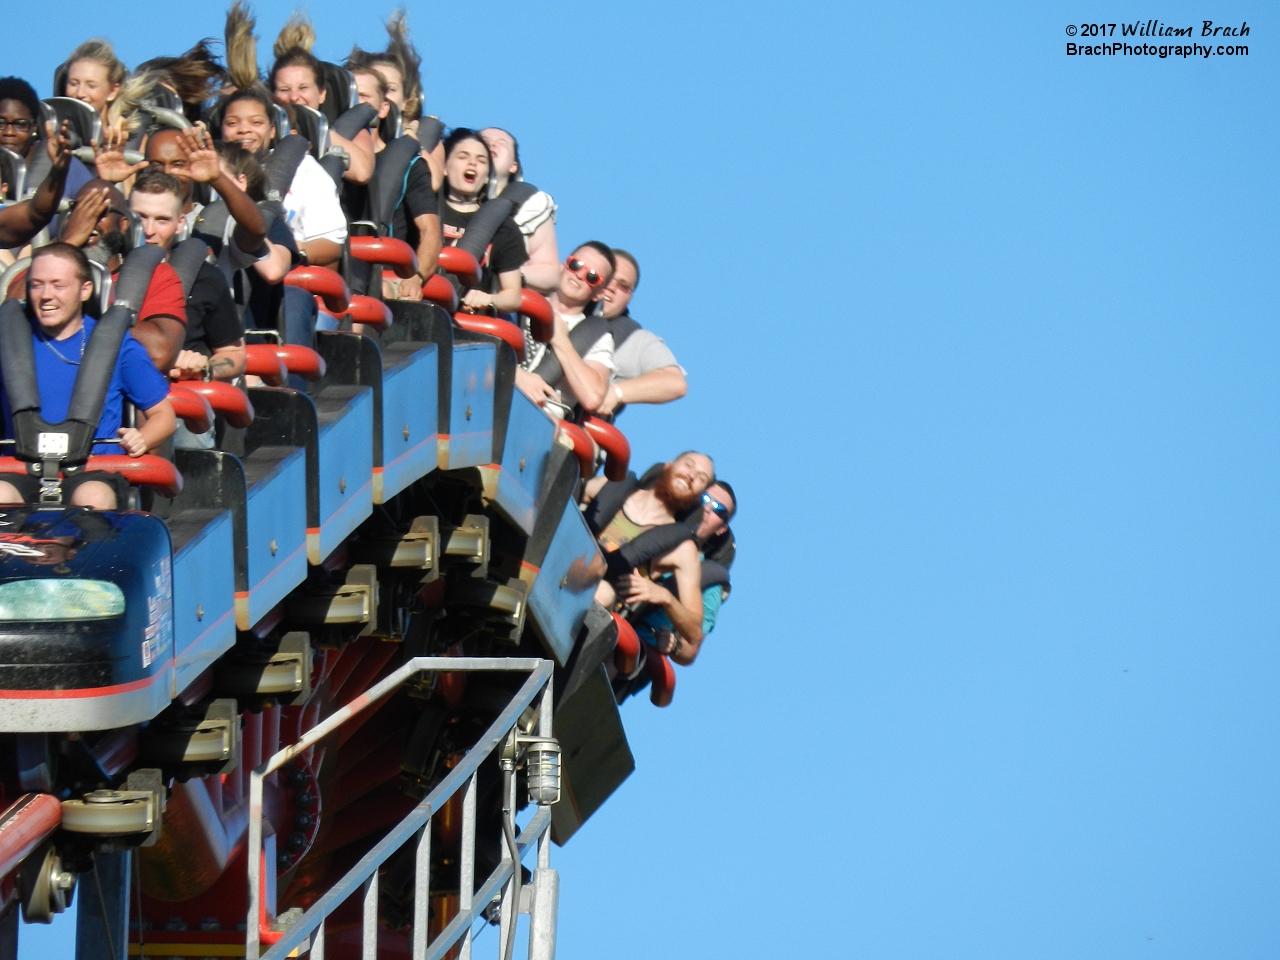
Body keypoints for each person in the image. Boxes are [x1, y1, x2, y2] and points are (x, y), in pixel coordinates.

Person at [0, 243, 176, 510]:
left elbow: (164, 416)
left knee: (91, 498)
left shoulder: (117, 345)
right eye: (37, 285)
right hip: (19, 469)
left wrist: (143, 438)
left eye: (58, 286)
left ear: (85, 290)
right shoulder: (9, 342)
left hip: (94, 470)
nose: (46, 295)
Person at [584, 452, 716, 647]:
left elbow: (695, 632)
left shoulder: (681, 548)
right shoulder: (609, 486)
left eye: (701, 478)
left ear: (699, 494)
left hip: (595, 603)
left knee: (602, 594)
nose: (691, 476)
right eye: (688, 465)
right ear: (668, 466)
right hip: (558, 564)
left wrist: (665, 597)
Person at [128, 170, 245, 383]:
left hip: (183, 398)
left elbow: (234, 354)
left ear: (180, 223)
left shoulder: (206, 278)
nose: (148, 230)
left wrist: (203, 368)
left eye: (162, 220)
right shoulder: (105, 272)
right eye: (140, 217)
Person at [58, 179, 187, 371]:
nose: (88, 219)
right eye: (80, 210)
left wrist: (95, 311)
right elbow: (11, 313)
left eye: (101, 211)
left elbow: (162, 354)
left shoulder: (156, 276)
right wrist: (68, 246)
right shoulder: (44, 267)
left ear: (123, 224)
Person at [220, 86, 347, 270]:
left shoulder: (304, 170)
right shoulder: (209, 169)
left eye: (256, 123)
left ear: (272, 131)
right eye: (232, 123)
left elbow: (331, 246)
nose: (244, 130)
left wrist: (288, 252)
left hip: (290, 276)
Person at [348, 64, 439, 299]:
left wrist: (416, 277)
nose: (356, 103)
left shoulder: (409, 165)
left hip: (385, 278)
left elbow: (430, 231)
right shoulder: (321, 156)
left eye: (364, 97)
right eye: (351, 95)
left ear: (383, 108)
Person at [634, 481, 737, 666]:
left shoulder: (709, 579)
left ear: (721, 528)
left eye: (718, 509)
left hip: (633, 645)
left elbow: (690, 649)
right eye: (705, 498)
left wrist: (674, 645)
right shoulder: (650, 518)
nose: (707, 508)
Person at [270, 15, 374, 185]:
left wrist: (315, 129)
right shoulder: (265, 129)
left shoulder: (352, 129)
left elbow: (361, 172)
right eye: (284, 90)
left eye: (303, 88)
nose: (294, 97)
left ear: (322, 94)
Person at [513, 242, 616, 415]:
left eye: (592, 277)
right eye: (576, 265)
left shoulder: (597, 335)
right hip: (496, 389)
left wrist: (560, 340)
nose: (579, 276)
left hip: (542, 419)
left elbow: (592, 396)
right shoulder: (522, 300)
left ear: (599, 293)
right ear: (564, 265)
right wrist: (517, 376)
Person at [595, 248, 687, 417]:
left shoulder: (636, 340)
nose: (612, 287)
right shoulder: (555, 306)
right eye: (607, 276)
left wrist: (616, 393)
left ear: (630, 297)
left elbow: (675, 383)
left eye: (623, 286)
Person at [440, 129, 526, 307]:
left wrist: (489, 299)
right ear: (444, 167)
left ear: (487, 177)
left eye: (481, 160)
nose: (472, 163)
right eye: (463, 157)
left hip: (464, 326)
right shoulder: (426, 210)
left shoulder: (503, 226)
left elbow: (512, 296)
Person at [480, 127, 559, 293]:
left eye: (501, 143)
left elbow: (550, 272)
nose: (492, 145)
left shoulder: (531, 205)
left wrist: (508, 274)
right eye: (485, 141)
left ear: (513, 166)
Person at [0, 78, 42, 164]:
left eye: (20, 124)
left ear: (34, 128)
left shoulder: (59, 166)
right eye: (1, 123)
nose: (9, 132)